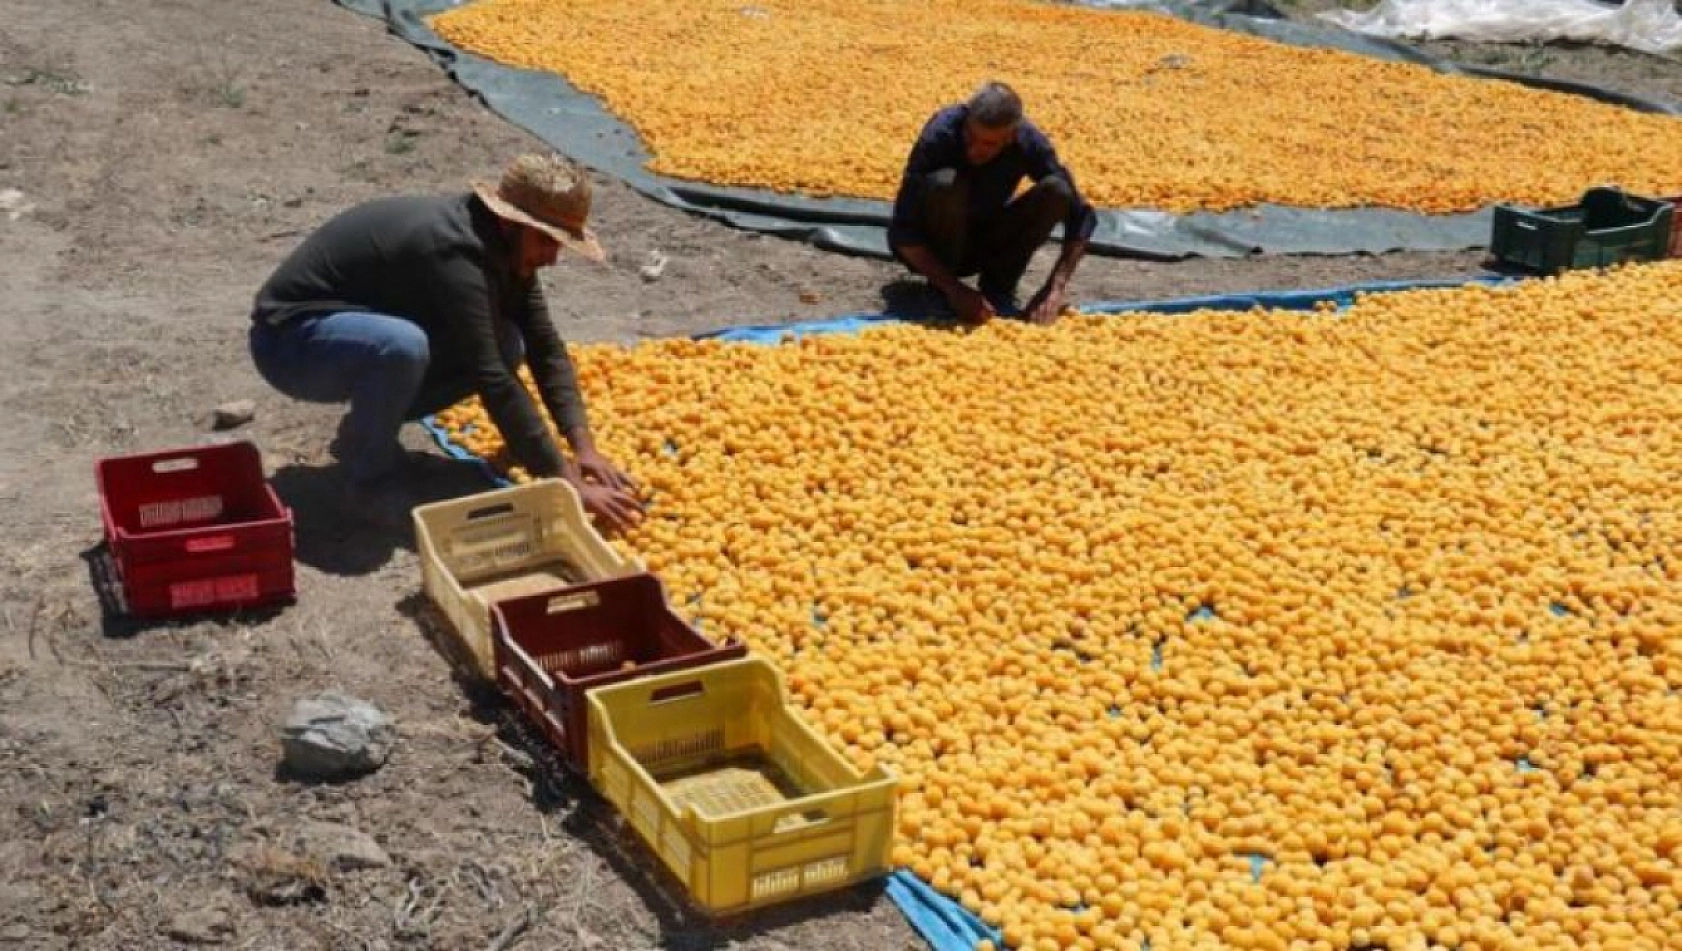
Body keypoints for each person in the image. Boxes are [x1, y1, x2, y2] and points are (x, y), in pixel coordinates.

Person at [248, 153, 643, 533]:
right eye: (547, 241)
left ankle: (364, 440)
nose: (553, 257)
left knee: (508, 342)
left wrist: (583, 446)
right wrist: (561, 478)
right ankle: (367, 484)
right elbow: (490, 376)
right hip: (290, 342)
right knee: (403, 346)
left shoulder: (504, 249)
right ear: (510, 224)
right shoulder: (454, 251)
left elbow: (545, 346)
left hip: (348, 337)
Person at [889, 81, 1098, 327]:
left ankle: (998, 289)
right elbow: (903, 231)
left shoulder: (1028, 141)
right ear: (966, 119)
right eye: (971, 137)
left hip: (985, 240)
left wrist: (1055, 288)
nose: (974, 150)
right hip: (936, 247)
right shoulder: (940, 136)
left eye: (988, 144)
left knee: (1057, 191)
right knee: (945, 183)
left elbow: (1080, 215)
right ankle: (939, 291)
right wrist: (954, 289)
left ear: (1010, 137)